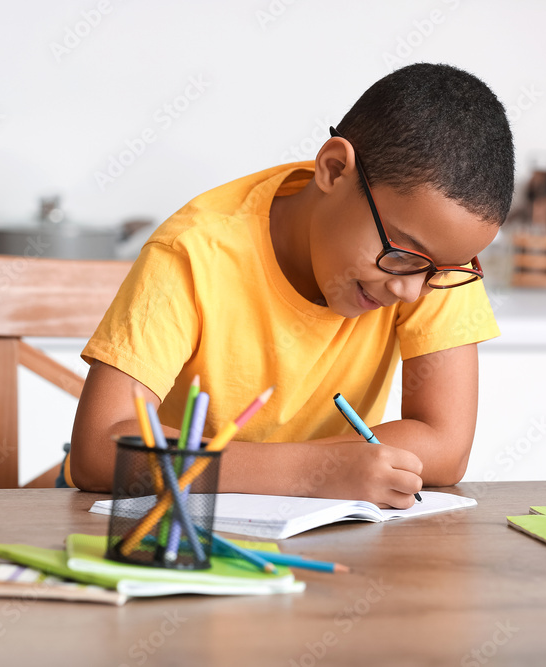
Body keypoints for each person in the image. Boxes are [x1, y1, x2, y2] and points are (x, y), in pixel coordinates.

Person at [66, 63, 513, 508]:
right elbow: (101, 449)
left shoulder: (435, 258)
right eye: (401, 255)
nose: (412, 292)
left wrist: (288, 472)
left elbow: (445, 446)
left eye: (439, 273)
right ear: (334, 170)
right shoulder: (194, 250)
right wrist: (307, 475)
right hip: (175, 532)